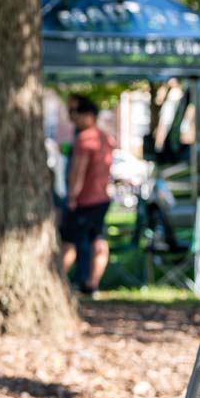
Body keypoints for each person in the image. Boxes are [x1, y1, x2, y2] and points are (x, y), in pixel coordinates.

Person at [60, 95, 114, 295]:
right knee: (97, 239)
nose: (72, 118)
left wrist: (72, 196)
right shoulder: (106, 138)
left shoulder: (85, 139)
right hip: (102, 198)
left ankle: (60, 282)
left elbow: (78, 172)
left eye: (75, 113)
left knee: (69, 242)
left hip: (84, 201)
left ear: (88, 115)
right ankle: (92, 284)